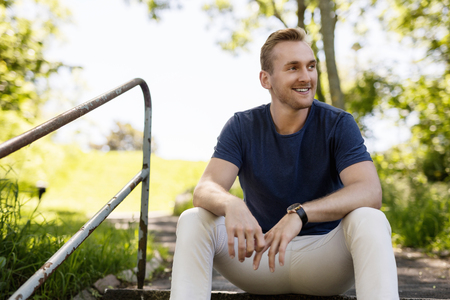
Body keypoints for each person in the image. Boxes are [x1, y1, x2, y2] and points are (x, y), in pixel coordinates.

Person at [169, 27, 399, 300]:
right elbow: (205, 188)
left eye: (310, 66)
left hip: (324, 261)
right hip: (259, 260)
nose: (306, 77)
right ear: (266, 79)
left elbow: (370, 191)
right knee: (194, 219)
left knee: (369, 217)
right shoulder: (242, 126)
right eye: (293, 68)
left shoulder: (338, 124)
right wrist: (232, 204)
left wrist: (300, 214)